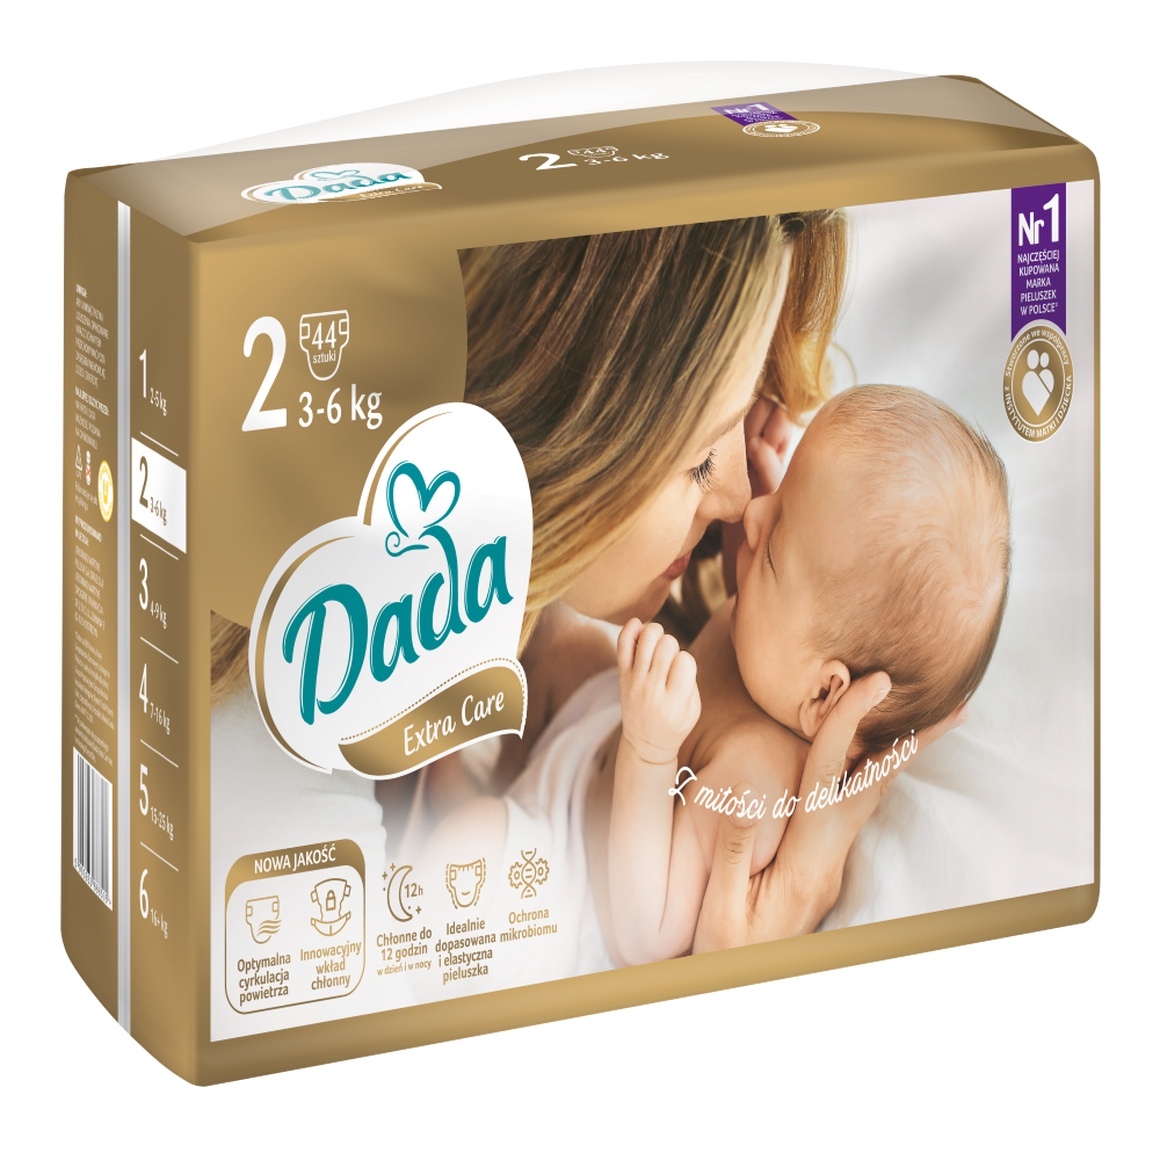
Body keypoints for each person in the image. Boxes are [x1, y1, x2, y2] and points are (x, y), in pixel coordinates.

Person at [599, 386, 1011, 963]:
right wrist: (771, 535)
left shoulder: (753, 784)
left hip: (572, 865)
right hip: (580, 747)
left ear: (824, 694)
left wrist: (649, 752)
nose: (752, 511)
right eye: (781, 493)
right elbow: (762, 598)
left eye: (772, 546)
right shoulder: (782, 654)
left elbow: (645, 932)